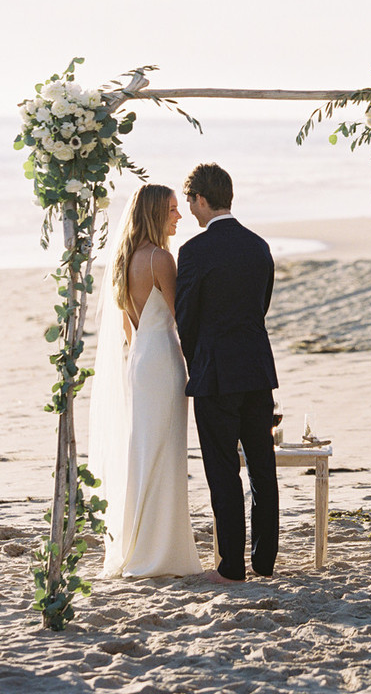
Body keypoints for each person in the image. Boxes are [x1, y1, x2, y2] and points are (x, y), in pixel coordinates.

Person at [89, 184, 202, 578]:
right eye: (172, 209)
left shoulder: (126, 260)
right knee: (164, 452)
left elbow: (126, 327)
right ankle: (160, 550)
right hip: (162, 359)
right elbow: (181, 316)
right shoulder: (160, 259)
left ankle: (140, 541)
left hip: (139, 357)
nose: (179, 216)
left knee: (145, 450)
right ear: (156, 214)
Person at [175, 163, 279, 583]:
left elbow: (186, 320)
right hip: (257, 367)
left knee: (222, 470)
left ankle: (232, 566)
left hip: (216, 372)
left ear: (201, 199)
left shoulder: (194, 252)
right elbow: (262, 304)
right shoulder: (259, 246)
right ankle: (265, 561)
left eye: (190, 202)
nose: (191, 211)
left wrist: (197, 357)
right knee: (261, 467)